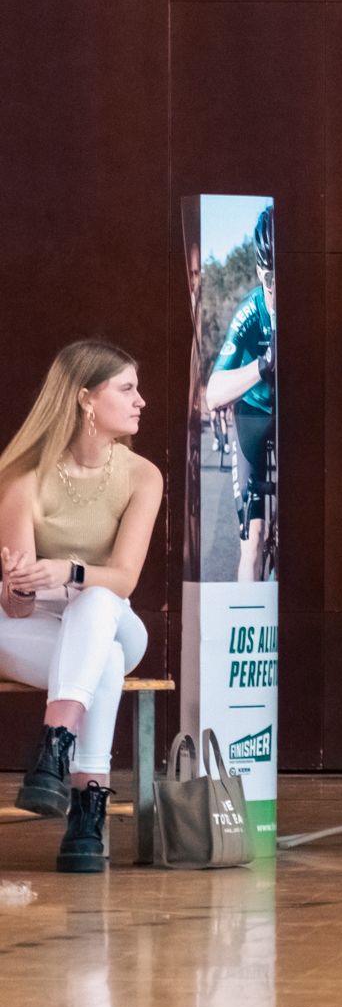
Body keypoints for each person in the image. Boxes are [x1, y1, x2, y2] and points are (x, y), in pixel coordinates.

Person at [0, 341, 162, 872]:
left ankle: (55, 745)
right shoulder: (24, 475)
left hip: (116, 618)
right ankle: (86, 813)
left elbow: (124, 578)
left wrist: (67, 571)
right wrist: (21, 587)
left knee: (97, 602)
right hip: (45, 628)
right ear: (85, 400)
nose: (141, 401)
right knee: (104, 663)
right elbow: (18, 611)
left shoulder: (142, 475)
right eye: (127, 388)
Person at [204, 205, 277, 582]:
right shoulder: (250, 311)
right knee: (253, 540)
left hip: (291, 414)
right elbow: (213, 396)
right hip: (254, 412)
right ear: (259, 272)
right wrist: (262, 365)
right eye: (270, 280)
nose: (277, 290)